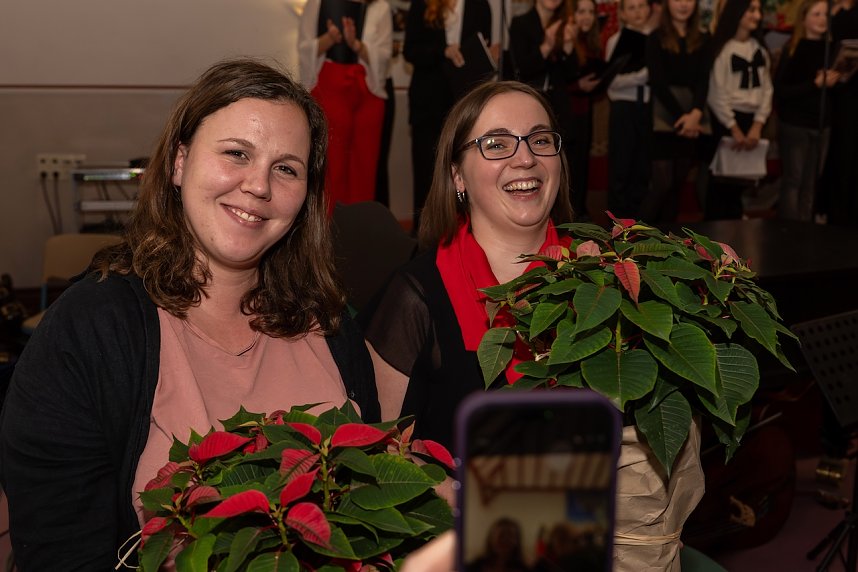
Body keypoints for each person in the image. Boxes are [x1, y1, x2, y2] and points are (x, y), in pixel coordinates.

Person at [0, 58, 379, 569]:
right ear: (179, 162)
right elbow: (60, 551)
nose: (258, 186)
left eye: (286, 168)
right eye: (235, 153)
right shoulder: (91, 330)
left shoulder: (330, 325)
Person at [359, 80, 574, 449]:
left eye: (540, 140)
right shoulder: (414, 298)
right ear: (458, 175)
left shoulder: (602, 279)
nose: (525, 159)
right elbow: (378, 454)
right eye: (496, 145)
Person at [403, 0, 493, 232]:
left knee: (464, 174)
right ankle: (422, 239)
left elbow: (482, 50)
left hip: (465, 103)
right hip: (428, 104)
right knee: (426, 173)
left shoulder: (480, 6)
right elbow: (410, 51)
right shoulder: (422, 4)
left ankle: (463, 237)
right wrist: (442, 51)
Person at [299, 0, 393, 211]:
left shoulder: (380, 7)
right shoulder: (317, 3)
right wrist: (330, 38)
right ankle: (326, 231)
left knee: (365, 165)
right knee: (331, 166)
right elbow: (305, 48)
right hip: (330, 87)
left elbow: (385, 58)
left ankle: (358, 230)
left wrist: (356, 45)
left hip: (368, 91)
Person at [642, 0, 712, 222]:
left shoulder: (703, 38)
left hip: (692, 115)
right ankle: (630, 241)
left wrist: (696, 114)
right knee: (661, 185)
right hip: (664, 116)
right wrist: (683, 117)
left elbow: (703, 80)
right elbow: (658, 82)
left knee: (678, 185)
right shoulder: (656, 38)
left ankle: (667, 246)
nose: (683, 4)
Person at [704, 0, 773, 220]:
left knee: (740, 184)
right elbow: (716, 93)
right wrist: (734, 128)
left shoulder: (759, 49)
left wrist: (758, 124)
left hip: (751, 121)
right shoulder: (723, 49)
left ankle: (735, 239)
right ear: (737, 12)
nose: (757, 15)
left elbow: (767, 90)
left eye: (758, 10)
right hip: (726, 120)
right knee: (721, 183)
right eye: (751, 10)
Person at [773, 0, 840, 221]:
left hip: (821, 123)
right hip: (795, 124)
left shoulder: (832, 49)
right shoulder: (793, 49)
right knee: (794, 180)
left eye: (825, 15)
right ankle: (789, 229)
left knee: (811, 183)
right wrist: (815, 84)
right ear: (804, 19)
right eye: (816, 14)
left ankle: (805, 229)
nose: (822, 19)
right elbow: (781, 92)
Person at [508, 0, 578, 195]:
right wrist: (546, 46)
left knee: (566, 168)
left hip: (560, 106)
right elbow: (521, 70)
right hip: (531, 105)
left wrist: (569, 46)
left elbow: (572, 75)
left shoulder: (566, 23)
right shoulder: (521, 23)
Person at [605, 0, 653, 218]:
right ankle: (617, 224)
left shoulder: (656, 38)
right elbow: (611, 82)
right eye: (631, 8)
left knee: (643, 168)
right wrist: (643, 76)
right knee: (621, 168)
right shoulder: (616, 40)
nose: (638, 12)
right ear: (622, 14)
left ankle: (640, 223)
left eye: (641, 6)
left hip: (648, 108)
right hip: (623, 109)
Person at [567, 0, 604, 219]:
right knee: (569, 168)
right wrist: (577, 86)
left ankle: (579, 213)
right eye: (581, 12)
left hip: (585, 111)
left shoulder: (592, 43)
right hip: (567, 112)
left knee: (582, 167)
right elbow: (558, 78)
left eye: (591, 12)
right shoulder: (567, 42)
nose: (586, 17)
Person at [822, 0, 858, 226]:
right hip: (835, 95)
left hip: (851, 94)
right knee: (838, 153)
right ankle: (836, 212)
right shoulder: (829, 11)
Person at [466, 517, 531, 572]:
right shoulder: (475, 567)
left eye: (510, 536)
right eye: (501, 535)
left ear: (517, 541)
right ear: (491, 539)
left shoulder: (523, 569)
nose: (505, 540)